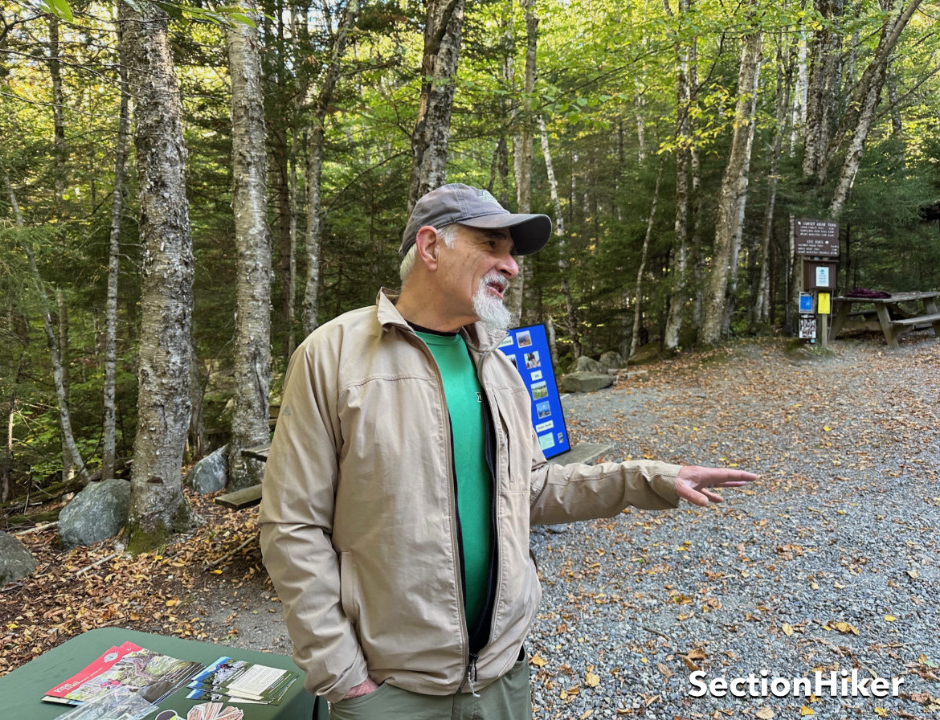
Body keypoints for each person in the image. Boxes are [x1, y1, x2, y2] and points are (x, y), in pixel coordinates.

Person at [259, 183, 758, 719]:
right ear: (431, 248)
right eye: (493, 246)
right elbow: (293, 525)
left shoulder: (498, 366)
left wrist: (651, 477)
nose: (512, 267)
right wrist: (345, 677)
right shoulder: (331, 357)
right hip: (389, 689)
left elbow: (530, 487)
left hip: (501, 676)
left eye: (512, 253)